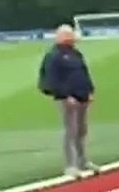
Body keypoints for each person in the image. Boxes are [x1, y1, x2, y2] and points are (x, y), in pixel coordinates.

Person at [38, 24, 98, 178]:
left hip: (82, 96)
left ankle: (82, 160)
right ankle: (70, 165)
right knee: (70, 131)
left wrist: (90, 90)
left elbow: (84, 72)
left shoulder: (76, 54)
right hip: (67, 99)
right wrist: (64, 95)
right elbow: (51, 79)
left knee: (81, 130)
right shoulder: (54, 56)